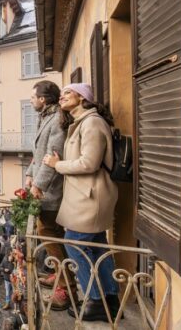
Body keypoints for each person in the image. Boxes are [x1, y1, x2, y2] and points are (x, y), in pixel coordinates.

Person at [42, 83, 119, 322]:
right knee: (97, 247)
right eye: (62, 93)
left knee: (74, 245)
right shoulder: (82, 123)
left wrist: (57, 165)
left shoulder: (92, 122)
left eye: (68, 92)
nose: (62, 96)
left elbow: (89, 163)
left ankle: (94, 300)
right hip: (87, 196)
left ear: (82, 97)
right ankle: (111, 300)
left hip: (90, 197)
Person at [25, 80, 71, 309]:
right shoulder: (45, 117)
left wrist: (39, 185)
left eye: (33, 97)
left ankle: (66, 288)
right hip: (45, 187)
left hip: (53, 191)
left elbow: (54, 156)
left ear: (43, 99)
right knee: (48, 233)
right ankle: (58, 273)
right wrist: (30, 174)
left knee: (48, 232)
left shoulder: (57, 120)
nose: (31, 100)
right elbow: (38, 154)